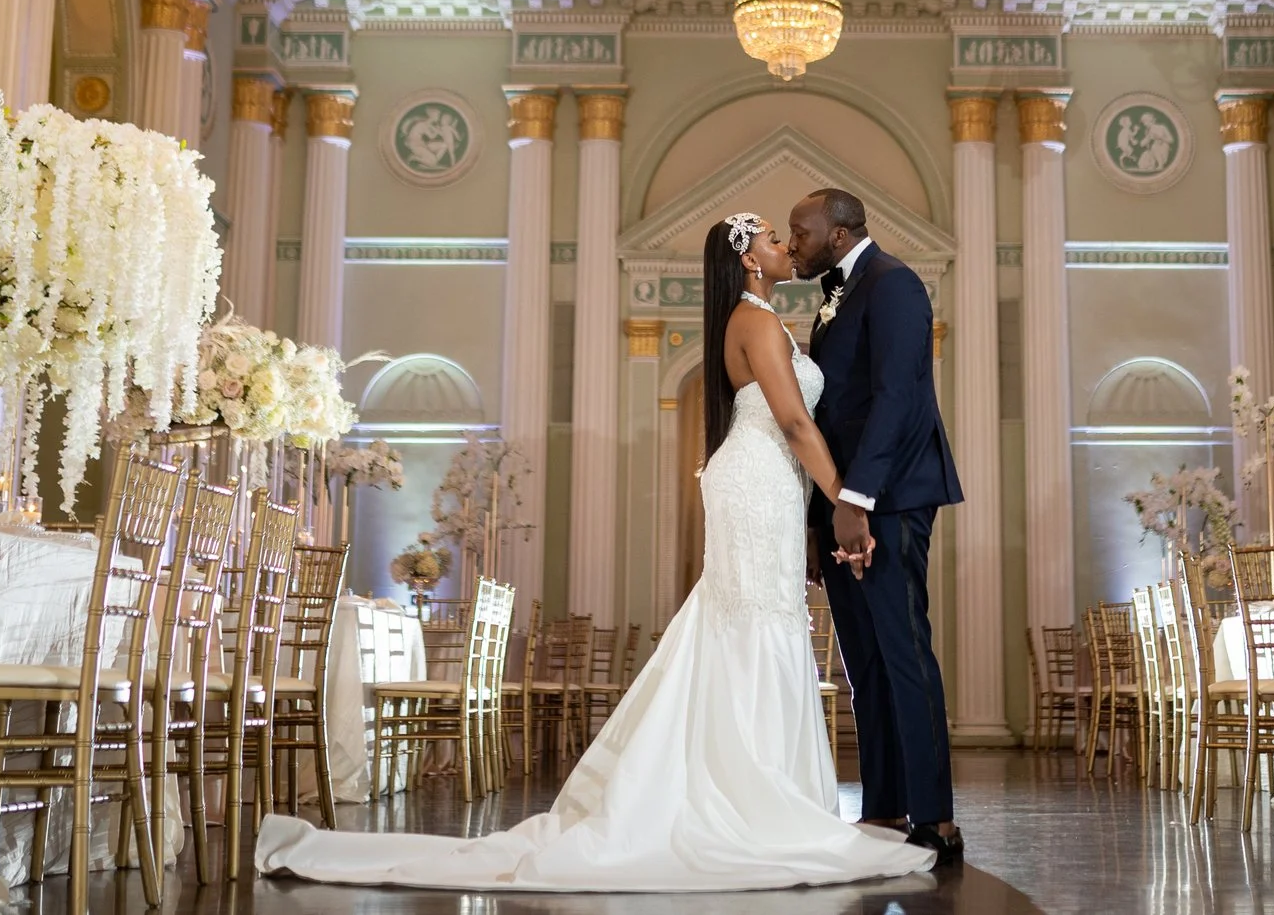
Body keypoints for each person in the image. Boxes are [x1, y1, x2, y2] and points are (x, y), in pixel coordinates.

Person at [255, 212, 934, 891]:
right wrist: (849, 497)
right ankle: (748, 796)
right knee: (755, 621)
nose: (786, 246)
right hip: (758, 479)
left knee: (758, 621)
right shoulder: (754, 321)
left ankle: (754, 786)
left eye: (788, 236)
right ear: (750, 261)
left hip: (770, 483)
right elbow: (791, 420)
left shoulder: (762, 320)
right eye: (772, 240)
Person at [787, 188, 966, 865]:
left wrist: (856, 499)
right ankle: (885, 805)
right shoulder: (835, 297)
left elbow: (898, 396)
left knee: (903, 653)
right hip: (842, 506)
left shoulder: (893, 285)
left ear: (838, 232)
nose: (795, 242)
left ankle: (936, 818)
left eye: (801, 231)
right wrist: (819, 520)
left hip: (885, 499)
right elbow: (834, 417)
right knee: (863, 662)